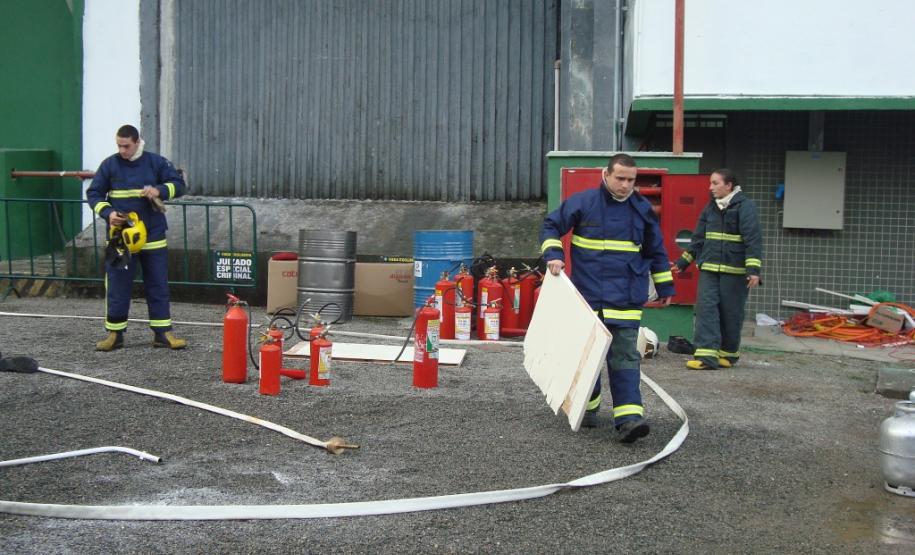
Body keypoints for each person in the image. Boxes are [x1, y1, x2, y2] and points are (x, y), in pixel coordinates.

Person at [540, 153, 674, 443]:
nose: (626, 185)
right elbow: (551, 226)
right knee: (586, 357)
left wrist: (665, 287)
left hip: (625, 300)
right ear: (606, 174)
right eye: (620, 178)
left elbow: (656, 251)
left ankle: (629, 420)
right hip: (587, 298)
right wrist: (554, 255)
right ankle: (586, 408)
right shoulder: (584, 202)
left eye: (631, 180)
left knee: (625, 358)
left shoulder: (642, 209)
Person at [87, 124, 187, 351]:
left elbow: (179, 185)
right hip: (120, 237)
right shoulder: (109, 165)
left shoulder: (156, 162)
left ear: (137, 142)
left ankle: (162, 333)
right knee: (117, 285)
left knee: (158, 284)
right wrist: (108, 213)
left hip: (153, 235)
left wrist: (160, 191)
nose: (122, 151)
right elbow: (94, 193)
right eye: (119, 146)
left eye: (126, 146)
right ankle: (115, 334)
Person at [672, 168, 761, 370]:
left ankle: (728, 354)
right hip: (709, 269)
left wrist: (753, 270)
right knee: (705, 309)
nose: (710, 187)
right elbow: (698, 238)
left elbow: (753, 239)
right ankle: (706, 356)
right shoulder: (710, 207)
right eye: (710, 183)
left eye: (715, 183)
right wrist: (683, 262)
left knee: (731, 312)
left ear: (728, 185)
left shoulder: (745, 207)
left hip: (735, 271)